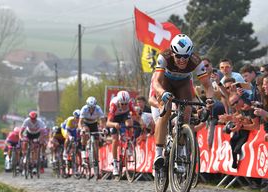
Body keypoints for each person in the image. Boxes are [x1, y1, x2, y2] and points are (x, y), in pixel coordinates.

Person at [152, 34, 214, 170]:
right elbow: (156, 81)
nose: (182, 60)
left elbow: (208, 86)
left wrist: (209, 100)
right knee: (165, 112)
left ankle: (179, 154)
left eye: (185, 56)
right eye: (178, 56)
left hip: (183, 84)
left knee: (186, 116)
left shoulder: (196, 61)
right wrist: (162, 93)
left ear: (190, 54)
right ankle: (158, 154)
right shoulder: (164, 56)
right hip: (166, 82)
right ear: (172, 53)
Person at [219, 92, 259, 169]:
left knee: (237, 143)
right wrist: (230, 119)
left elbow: (256, 126)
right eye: (232, 104)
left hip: (256, 137)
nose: (235, 105)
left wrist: (240, 127)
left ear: (241, 99)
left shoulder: (250, 108)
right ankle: (235, 161)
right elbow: (241, 118)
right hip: (247, 135)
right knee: (233, 141)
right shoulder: (241, 109)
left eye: (236, 102)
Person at [106, 90, 139, 176]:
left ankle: (129, 142)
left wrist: (142, 123)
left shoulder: (130, 104)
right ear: (119, 102)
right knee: (115, 140)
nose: (124, 106)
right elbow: (108, 123)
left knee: (130, 123)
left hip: (124, 116)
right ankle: (115, 164)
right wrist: (114, 124)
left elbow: (136, 116)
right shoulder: (114, 105)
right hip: (115, 118)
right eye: (122, 104)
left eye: (126, 104)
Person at [79, 96, 107, 166]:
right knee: (85, 131)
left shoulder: (98, 109)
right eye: (90, 108)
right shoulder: (84, 109)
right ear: (87, 106)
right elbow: (80, 122)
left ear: (95, 106)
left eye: (93, 107)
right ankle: (83, 153)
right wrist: (81, 129)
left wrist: (104, 128)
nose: (91, 109)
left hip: (94, 123)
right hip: (86, 123)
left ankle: (96, 159)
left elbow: (103, 121)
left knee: (97, 142)